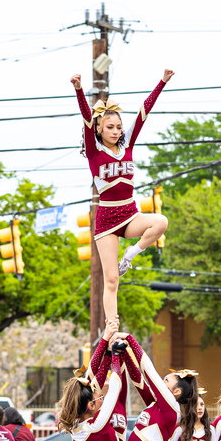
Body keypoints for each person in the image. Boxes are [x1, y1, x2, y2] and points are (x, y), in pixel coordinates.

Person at [71, 70, 173, 323]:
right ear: (99, 128)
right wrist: (79, 89)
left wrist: (162, 82)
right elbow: (86, 117)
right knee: (111, 279)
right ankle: (111, 327)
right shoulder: (94, 152)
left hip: (129, 213)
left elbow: (143, 114)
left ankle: (129, 255)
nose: (116, 131)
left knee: (161, 222)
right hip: (106, 219)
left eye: (119, 127)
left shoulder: (127, 146)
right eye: (110, 127)